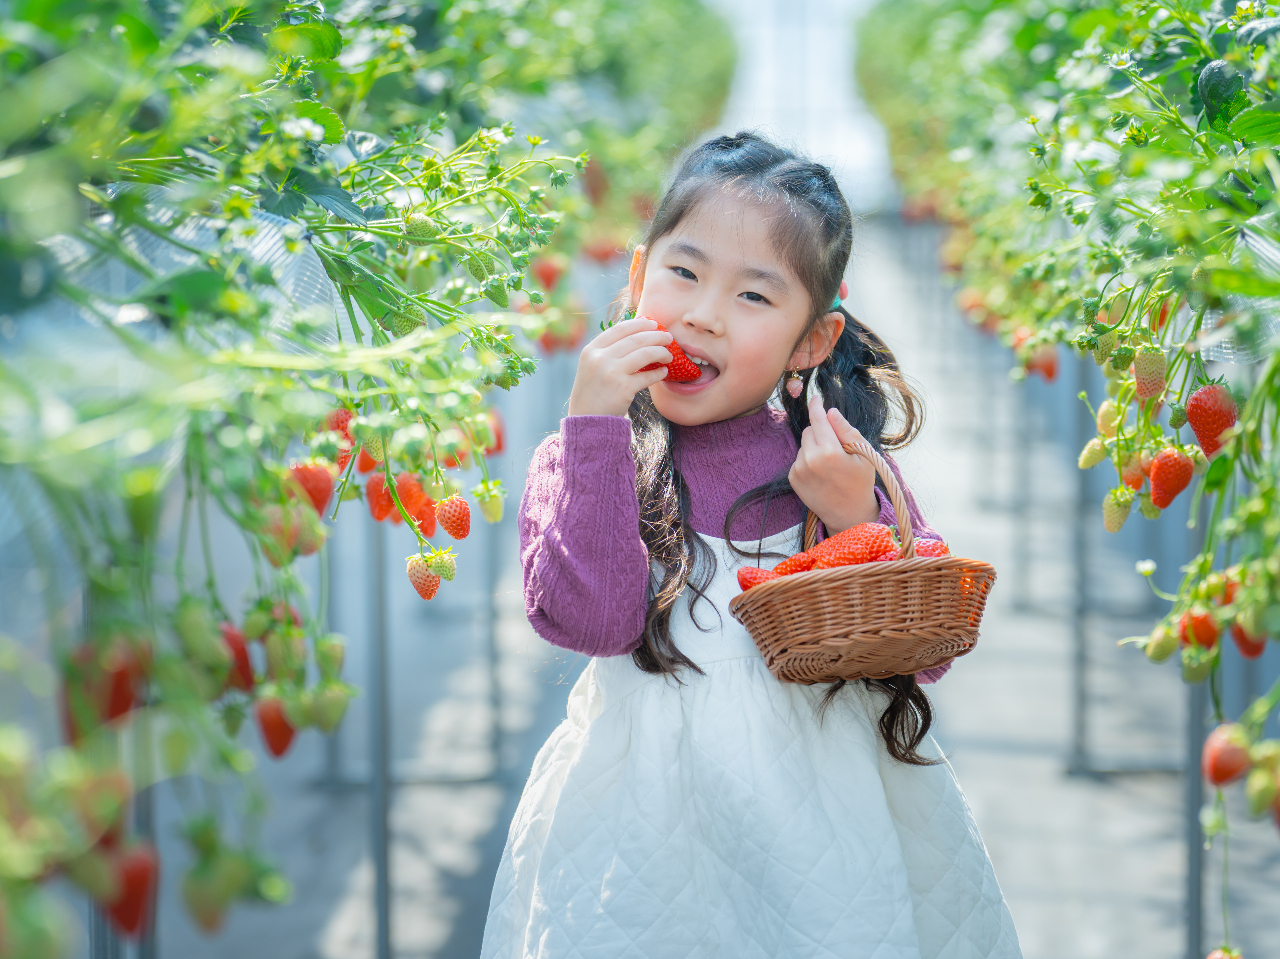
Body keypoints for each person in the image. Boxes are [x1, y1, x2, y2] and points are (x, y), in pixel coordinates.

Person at [481, 132, 1022, 958]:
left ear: (812, 340)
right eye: (684, 273)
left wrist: (853, 521)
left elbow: (928, 641)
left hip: (824, 821)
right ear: (636, 279)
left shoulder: (830, 460)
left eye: (754, 297)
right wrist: (593, 422)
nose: (702, 313)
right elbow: (595, 620)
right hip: (640, 828)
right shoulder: (584, 453)